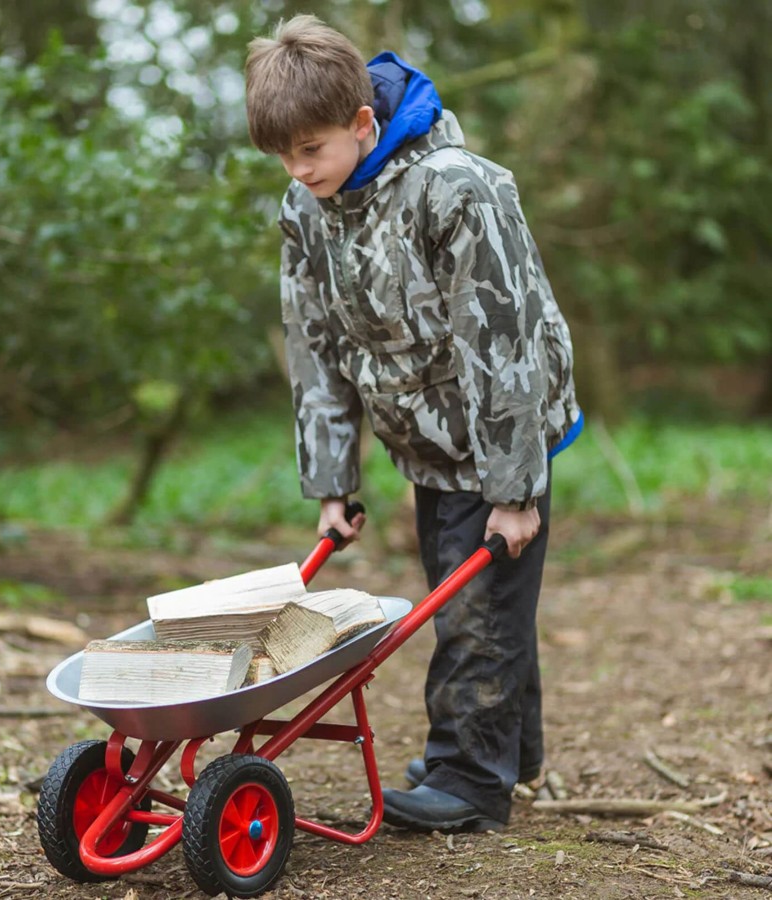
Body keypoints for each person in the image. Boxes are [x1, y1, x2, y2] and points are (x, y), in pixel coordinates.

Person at [245, 15, 582, 833]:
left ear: (364, 123)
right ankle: (512, 750)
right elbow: (315, 342)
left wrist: (515, 490)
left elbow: (501, 345)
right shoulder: (309, 205)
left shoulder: (456, 189)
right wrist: (333, 482)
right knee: (478, 596)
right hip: (423, 432)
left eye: (312, 148)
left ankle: (470, 780)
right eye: (284, 155)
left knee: (477, 608)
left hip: (501, 424)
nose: (298, 169)